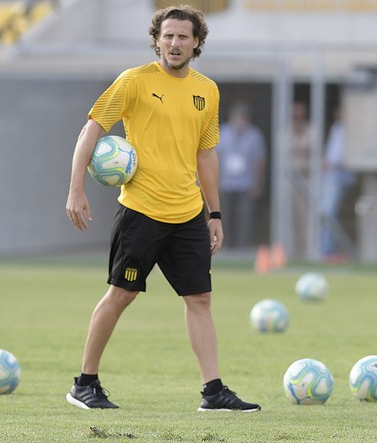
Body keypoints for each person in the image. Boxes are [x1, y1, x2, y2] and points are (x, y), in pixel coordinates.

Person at [64, 5, 260, 412]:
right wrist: (76, 188)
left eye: (183, 37)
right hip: (141, 212)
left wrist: (215, 214)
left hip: (188, 213)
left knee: (200, 300)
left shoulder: (208, 90)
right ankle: (84, 383)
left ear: (197, 43)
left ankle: (214, 392)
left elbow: (207, 156)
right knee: (120, 295)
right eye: (168, 36)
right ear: (156, 40)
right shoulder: (134, 81)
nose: (174, 43)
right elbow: (92, 130)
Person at [215, 102, 266, 249]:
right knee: (225, 215)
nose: (239, 122)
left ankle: (243, 246)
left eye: (242, 119)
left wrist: (258, 183)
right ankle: (225, 245)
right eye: (237, 118)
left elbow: (260, 161)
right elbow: (214, 157)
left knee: (245, 216)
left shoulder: (254, 136)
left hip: (246, 183)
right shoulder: (222, 133)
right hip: (226, 182)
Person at [320, 106, 354, 262]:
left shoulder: (351, 129)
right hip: (328, 175)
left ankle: (329, 251)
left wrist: (334, 164)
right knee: (325, 213)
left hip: (338, 175)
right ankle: (325, 250)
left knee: (329, 213)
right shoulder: (336, 128)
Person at [289, 102, 311, 259]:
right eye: (295, 117)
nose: (297, 120)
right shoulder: (285, 132)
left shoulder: (311, 132)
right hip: (289, 182)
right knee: (289, 219)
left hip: (306, 180)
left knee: (305, 218)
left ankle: (306, 253)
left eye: (300, 117)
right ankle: (290, 252)